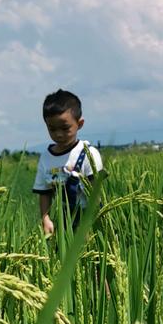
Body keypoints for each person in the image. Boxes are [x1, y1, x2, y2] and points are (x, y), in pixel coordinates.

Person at [32, 88, 105, 237]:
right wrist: (45, 218)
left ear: (80, 123)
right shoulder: (46, 158)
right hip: (61, 218)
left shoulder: (88, 154)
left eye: (65, 128)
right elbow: (44, 193)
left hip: (87, 215)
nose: (58, 134)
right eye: (52, 129)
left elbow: (95, 193)